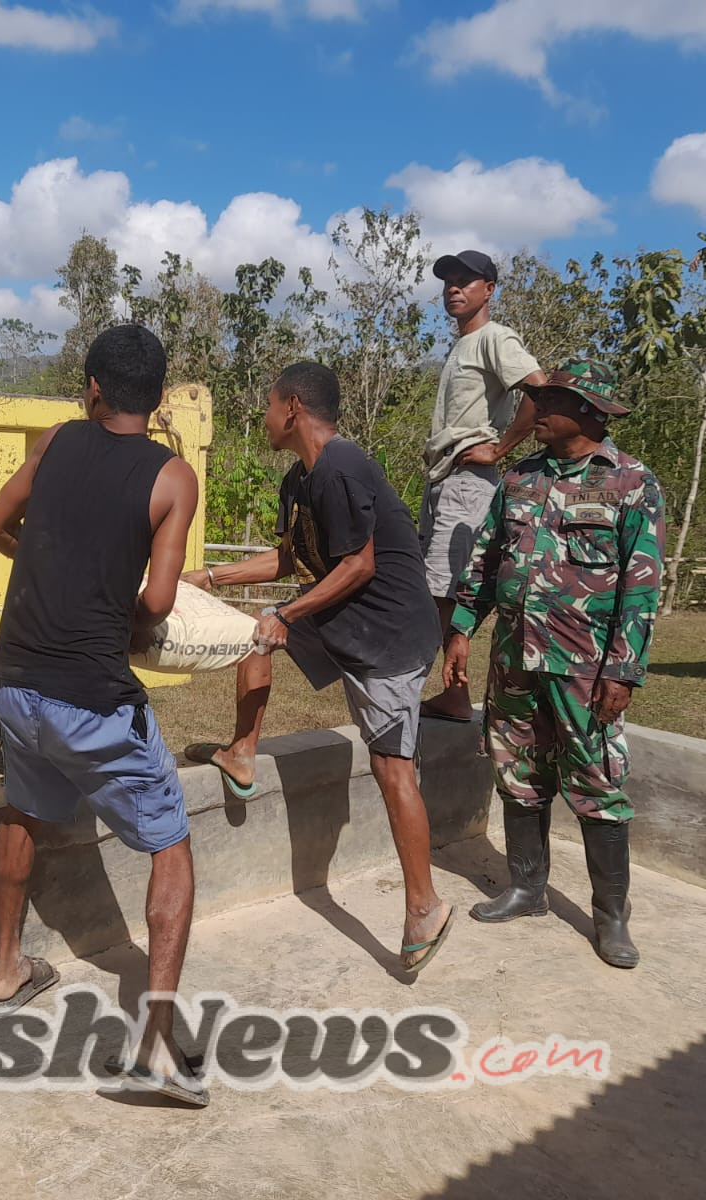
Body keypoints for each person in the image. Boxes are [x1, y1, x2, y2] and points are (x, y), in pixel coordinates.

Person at [0, 324, 206, 1105]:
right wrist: (120, 612)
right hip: (90, 699)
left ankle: (9, 972)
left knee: (23, 810)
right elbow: (160, 603)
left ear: (94, 387)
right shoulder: (172, 478)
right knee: (170, 843)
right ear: (163, 397)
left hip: (13, 684)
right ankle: (155, 1047)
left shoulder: (55, 441)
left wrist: (49, 566)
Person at [182, 362, 455, 974]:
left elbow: (358, 565)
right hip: (345, 618)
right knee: (257, 639)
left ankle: (424, 906)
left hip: (387, 636)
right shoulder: (299, 481)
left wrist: (288, 614)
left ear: (294, 407)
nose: (263, 414)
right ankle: (242, 754)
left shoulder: (343, 467)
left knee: (392, 769)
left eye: (269, 403)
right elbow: (286, 558)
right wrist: (211, 575)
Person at [440, 359, 665, 969]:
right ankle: (527, 887)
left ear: (591, 412)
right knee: (517, 771)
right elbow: (486, 562)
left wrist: (623, 670)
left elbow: (641, 588)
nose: (538, 412)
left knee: (597, 782)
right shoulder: (520, 479)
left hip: (584, 667)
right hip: (514, 658)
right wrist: (461, 629)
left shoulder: (630, 483)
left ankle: (611, 918)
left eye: (553, 402)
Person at [419, 249, 549, 723]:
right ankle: (453, 692)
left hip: (469, 479)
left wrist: (500, 448)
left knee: (444, 590)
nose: (454, 288)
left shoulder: (496, 337)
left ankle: (435, 687)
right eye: (448, 281)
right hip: (444, 478)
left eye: (466, 281)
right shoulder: (461, 345)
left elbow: (539, 388)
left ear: (489, 290)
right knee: (440, 587)